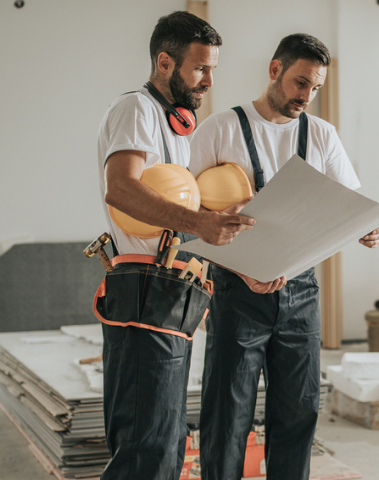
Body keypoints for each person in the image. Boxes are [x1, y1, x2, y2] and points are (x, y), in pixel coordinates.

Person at [189, 33, 379, 480]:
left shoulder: (321, 133)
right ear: (275, 70)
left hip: (300, 293)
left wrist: (369, 226)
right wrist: (241, 260)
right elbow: (187, 211)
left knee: (298, 414)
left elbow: (347, 201)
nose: (306, 96)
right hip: (237, 291)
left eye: (315, 88)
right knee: (227, 415)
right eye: (300, 83)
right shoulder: (220, 128)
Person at [94, 12, 254, 480]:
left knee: (164, 439)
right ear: (165, 62)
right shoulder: (136, 110)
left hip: (170, 288)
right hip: (142, 285)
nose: (208, 80)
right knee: (145, 444)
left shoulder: (174, 125)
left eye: (213, 70)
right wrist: (199, 223)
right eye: (200, 68)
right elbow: (120, 189)